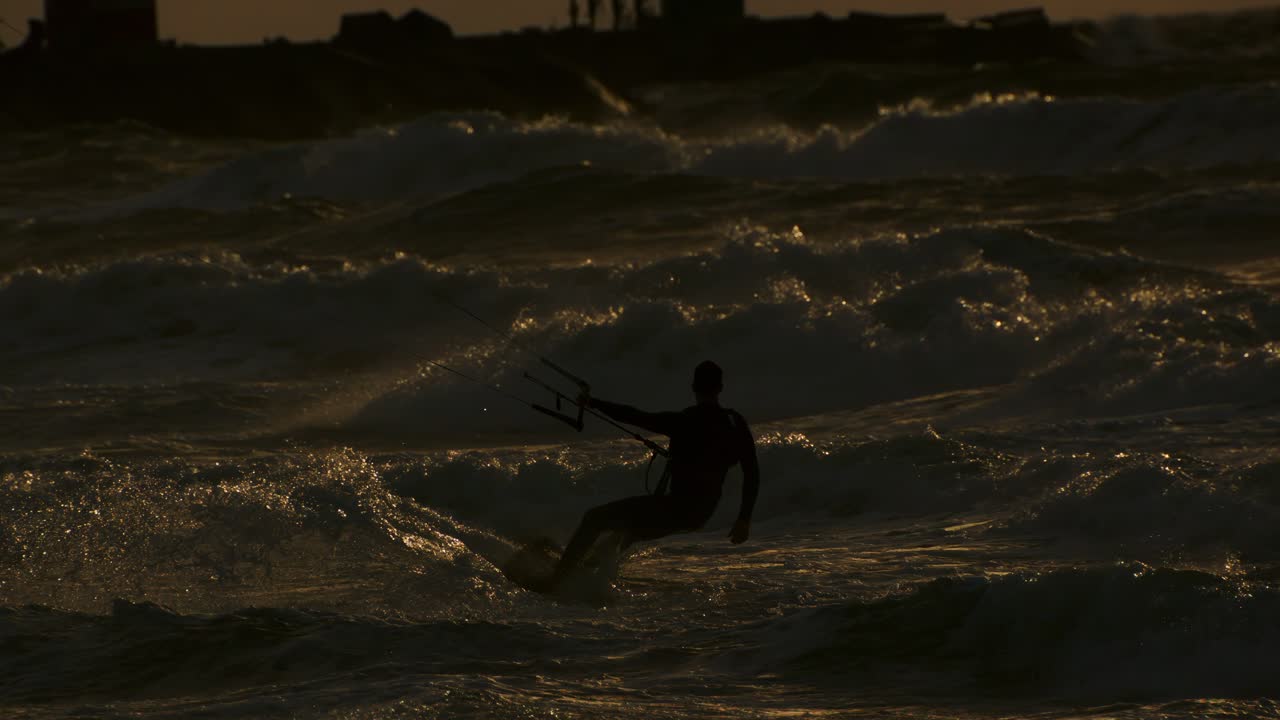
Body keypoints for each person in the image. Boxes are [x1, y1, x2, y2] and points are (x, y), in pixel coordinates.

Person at [543, 361, 760, 588]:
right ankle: (584, 574)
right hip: (701, 514)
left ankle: (556, 582)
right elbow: (752, 472)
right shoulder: (734, 423)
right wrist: (744, 519)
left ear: (693, 387)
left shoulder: (685, 420)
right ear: (720, 388)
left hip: (675, 509)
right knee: (624, 535)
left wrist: (594, 403)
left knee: (594, 518)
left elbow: (636, 416)